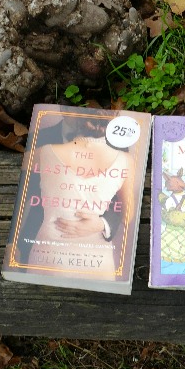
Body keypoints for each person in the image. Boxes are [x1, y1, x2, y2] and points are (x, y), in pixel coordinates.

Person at [23, 117, 131, 276]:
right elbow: (26, 193)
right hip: (94, 259)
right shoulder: (40, 137)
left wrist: (103, 224)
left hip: (52, 250)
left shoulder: (44, 151)